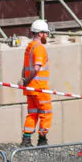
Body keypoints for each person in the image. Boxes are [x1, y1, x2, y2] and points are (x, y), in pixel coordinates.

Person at [20, 19, 52, 149]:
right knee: (46, 113)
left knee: (32, 113)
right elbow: (37, 68)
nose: (47, 36)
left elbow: (25, 67)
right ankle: (42, 140)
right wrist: (27, 80)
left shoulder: (29, 47)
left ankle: (26, 140)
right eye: (46, 33)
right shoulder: (39, 48)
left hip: (31, 88)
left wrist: (24, 80)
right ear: (40, 34)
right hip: (39, 87)